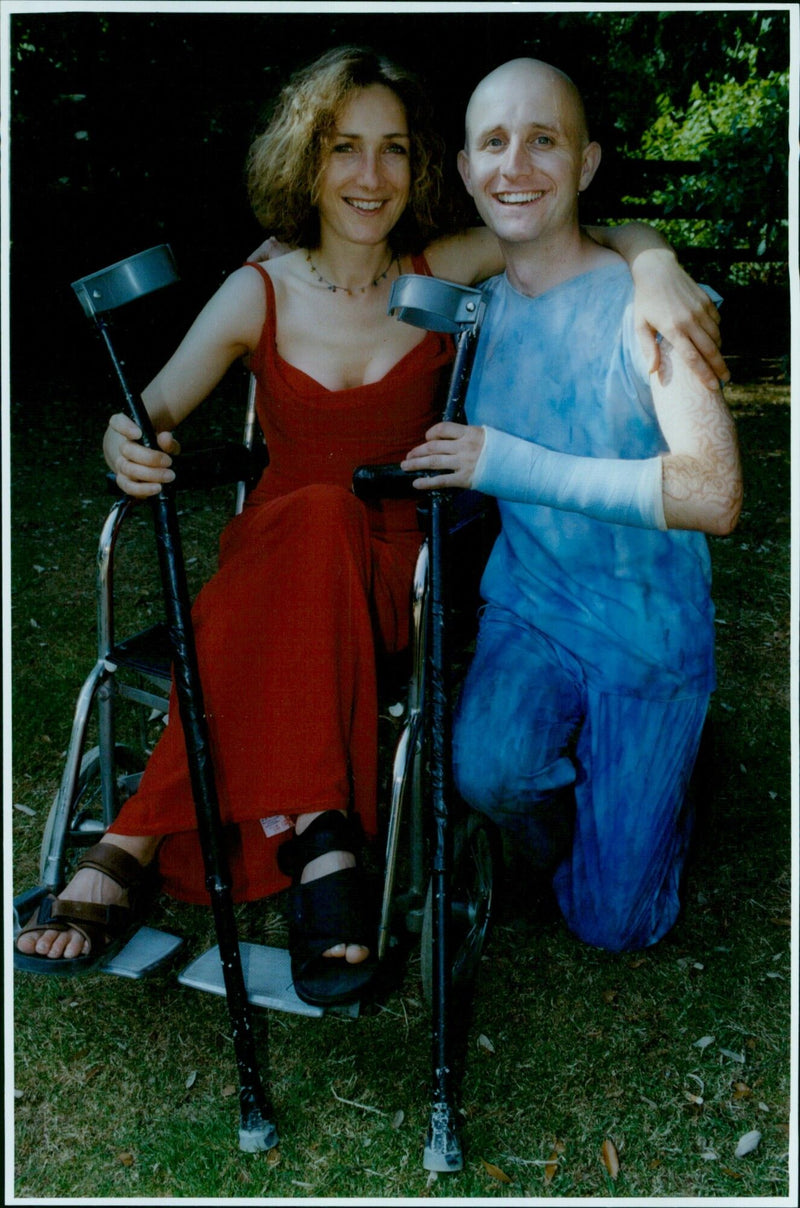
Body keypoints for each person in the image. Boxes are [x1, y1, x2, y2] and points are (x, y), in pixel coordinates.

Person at [16, 47, 729, 1000]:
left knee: (320, 518)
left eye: (393, 150)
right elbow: (147, 415)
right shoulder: (254, 292)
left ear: (421, 168)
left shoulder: (441, 271)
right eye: (344, 148)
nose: (370, 175)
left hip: (386, 575)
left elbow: (572, 228)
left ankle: (129, 839)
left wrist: (654, 264)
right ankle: (321, 837)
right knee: (304, 518)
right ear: (306, 162)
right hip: (272, 569)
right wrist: (125, 446)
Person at [401, 58, 742, 953]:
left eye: (542, 140)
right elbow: (351, 278)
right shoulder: (472, 314)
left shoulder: (652, 309)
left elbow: (715, 493)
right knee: (488, 773)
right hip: (532, 613)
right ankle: (587, 819)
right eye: (494, 144)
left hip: (649, 636)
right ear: (469, 172)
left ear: (584, 164)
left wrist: (505, 462)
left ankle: (658, 782)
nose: (517, 165)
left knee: (615, 926)